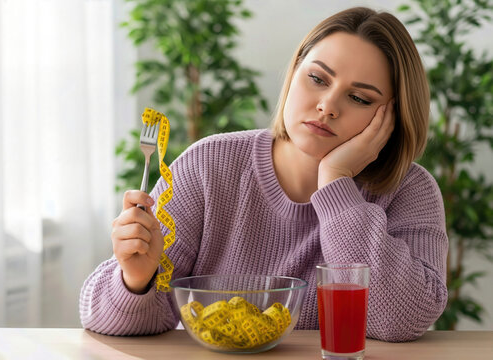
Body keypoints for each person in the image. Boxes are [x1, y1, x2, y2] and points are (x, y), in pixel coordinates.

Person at [80, 7, 448, 342]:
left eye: (360, 98)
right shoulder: (210, 164)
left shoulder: (409, 190)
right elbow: (104, 318)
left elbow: (402, 320)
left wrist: (336, 181)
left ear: (391, 118)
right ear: (294, 72)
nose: (327, 106)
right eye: (318, 79)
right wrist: (135, 280)